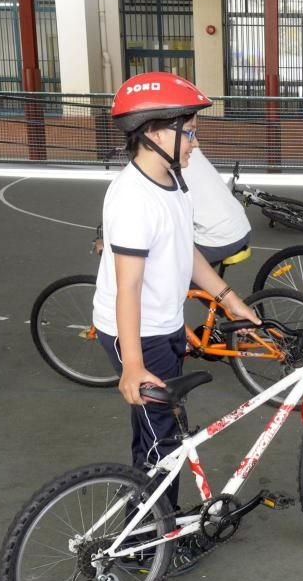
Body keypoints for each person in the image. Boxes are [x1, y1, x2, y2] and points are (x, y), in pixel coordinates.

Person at [92, 72, 260, 519]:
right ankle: (150, 540)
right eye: (188, 132)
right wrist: (133, 365)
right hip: (137, 335)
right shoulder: (132, 199)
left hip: (159, 326)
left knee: (154, 433)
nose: (194, 142)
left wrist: (229, 298)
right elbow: (127, 287)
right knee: (164, 441)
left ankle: (147, 520)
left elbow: (184, 250)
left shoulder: (172, 181)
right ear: (152, 132)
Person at [182, 148, 251, 266]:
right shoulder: (192, 150)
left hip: (218, 239)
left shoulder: (169, 161)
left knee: (172, 269)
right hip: (241, 226)